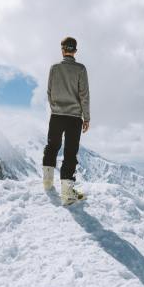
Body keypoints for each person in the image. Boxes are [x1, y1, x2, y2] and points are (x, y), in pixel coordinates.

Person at [42, 36, 90, 204]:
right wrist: (87, 118)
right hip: (74, 118)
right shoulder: (81, 69)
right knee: (70, 153)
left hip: (56, 115)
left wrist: (55, 108)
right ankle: (68, 194)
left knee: (52, 146)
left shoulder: (54, 68)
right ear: (75, 51)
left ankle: (47, 184)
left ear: (62, 50)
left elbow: (49, 92)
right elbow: (84, 96)